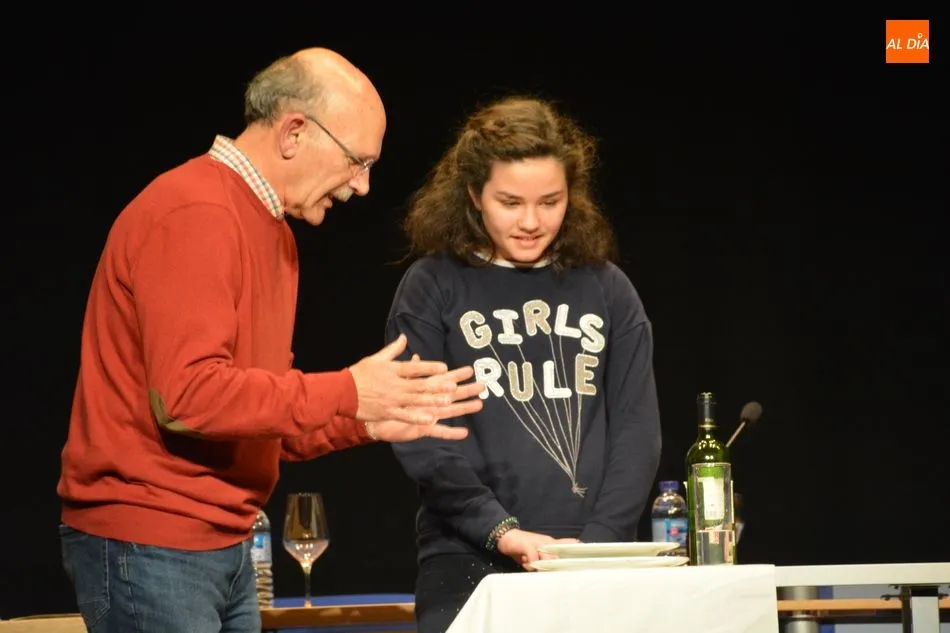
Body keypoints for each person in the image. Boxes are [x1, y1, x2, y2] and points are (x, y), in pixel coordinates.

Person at [56, 48, 484, 633]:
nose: (362, 186)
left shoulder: (274, 232)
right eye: (357, 161)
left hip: (223, 544)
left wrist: (364, 418)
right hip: (154, 543)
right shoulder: (197, 211)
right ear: (294, 132)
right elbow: (189, 398)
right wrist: (348, 390)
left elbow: (259, 414)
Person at [385, 96, 663, 633]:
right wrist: (502, 531)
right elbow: (423, 435)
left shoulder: (608, 288)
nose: (532, 222)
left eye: (550, 202)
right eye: (510, 202)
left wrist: (595, 546)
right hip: (468, 556)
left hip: (594, 557)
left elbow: (637, 432)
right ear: (474, 195)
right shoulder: (432, 285)